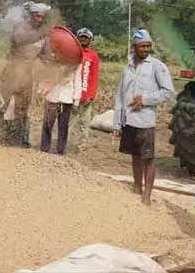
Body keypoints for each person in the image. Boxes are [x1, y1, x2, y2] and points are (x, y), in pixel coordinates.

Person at [113, 29, 175, 205]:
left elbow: (169, 92)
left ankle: (147, 194)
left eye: (148, 46)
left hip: (145, 121)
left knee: (148, 158)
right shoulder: (128, 67)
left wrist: (145, 100)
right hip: (129, 120)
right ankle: (137, 187)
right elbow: (120, 96)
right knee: (135, 156)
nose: (146, 49)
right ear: (134, 47)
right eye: (142, 46)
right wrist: (118, 123)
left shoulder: (157, 66)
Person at [0, 1, 54, 147]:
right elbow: (19, 40)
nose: (39, 20)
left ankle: (17, 145)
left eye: (42, 17)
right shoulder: (21, 27)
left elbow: (46, 57)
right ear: (31, 15)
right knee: (0, 109)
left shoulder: (45, 37)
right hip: (11, 74)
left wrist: (58, 58)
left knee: (22, 113)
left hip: (27, 78)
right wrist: (41, 34)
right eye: (37, 16)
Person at [39, 63, 82, 155]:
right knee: (47, 124)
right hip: (52, 96)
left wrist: (76, 101)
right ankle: (44, 148)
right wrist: (42, 90)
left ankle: (60, 150)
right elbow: (45, 76)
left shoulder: (76, 63)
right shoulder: (52, 61)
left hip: (66, 99)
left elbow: (78, 82)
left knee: (63, 126)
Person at [74, 27, 100, 152]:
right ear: (77, 38)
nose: (83, 39)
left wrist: (91, 95)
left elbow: (94, 77)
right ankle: (63, 145)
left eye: (86, 37)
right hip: (72, 94)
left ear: (90, 39)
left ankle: (82, 147)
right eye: (81, 37)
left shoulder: (93, 55)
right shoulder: (72, 52)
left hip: (85, 95)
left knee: (84, 123)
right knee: (67, 121)